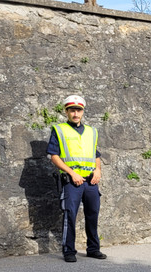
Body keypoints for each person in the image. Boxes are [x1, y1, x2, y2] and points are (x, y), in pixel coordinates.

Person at [48, 94, 106, 263]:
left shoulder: (92, 131)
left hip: (90, 181)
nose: (75, 114)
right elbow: (54, 156)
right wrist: (72, 173)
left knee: (93, 214)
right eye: (72, 110)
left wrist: (98, 170)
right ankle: (69, 251)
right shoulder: (59, 130)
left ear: (82, 112)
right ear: (66, 112)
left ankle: (93, 249)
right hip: (72, 181)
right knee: (70, 215)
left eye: (78, 110)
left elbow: (95, 154)